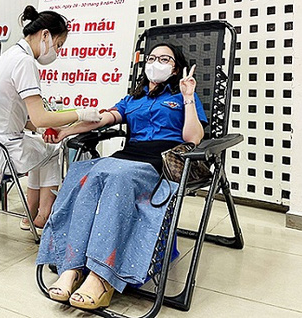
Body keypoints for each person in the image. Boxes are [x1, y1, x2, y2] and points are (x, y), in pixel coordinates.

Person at [36, 43, 208, 310]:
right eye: (152, 58)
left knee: (118, 178)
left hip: (158, 160)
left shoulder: (183, 95)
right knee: (86, 175)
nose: (157, 63)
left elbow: (193, 138)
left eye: (165, 59)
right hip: (127, 157)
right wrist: (65, 131)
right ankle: (72, 266)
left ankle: (101, 276)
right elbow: (102, 119)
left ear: (175, 68)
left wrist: (188, 95)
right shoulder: (133, 99)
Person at [0, 6, 102, 234]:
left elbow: (17, 115)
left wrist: (40, 129)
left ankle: (31, 213)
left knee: (41, 145)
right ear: (45, 35)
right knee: (54, 149)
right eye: (58, 45)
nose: (56, 52)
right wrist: (81, 113)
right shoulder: (25, 62)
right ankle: (43, 214)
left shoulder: (9, 55)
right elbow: (39, 117)